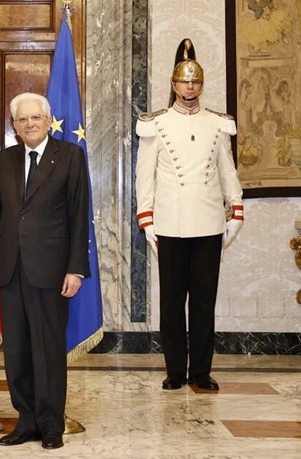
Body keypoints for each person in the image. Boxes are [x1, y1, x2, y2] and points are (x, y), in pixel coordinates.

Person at [0, 92, 90, 450]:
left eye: (35, 118)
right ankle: (26, 421)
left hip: (51, 270)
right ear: (14, 126)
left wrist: (75, 269)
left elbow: (78, 215)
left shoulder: (70, 156)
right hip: (11, 269)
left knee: (48, 350)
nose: (29, 124)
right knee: (17, 352)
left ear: (47, 120)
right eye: (22, 120)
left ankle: (51, 425)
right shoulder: (7, 158)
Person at [135, 38, 244, 392]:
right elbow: (144, 175)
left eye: (195, 82)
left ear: (201, 84)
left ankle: (201, 372)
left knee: (203, 302)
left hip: (209, 223)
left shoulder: (218, 123)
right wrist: (147, 219)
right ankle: (174, 372)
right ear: (173, 84)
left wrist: (236, 209)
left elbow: (228, 171)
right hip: (170, 224)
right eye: (184, 81)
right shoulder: (156, 123)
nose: (190, 87)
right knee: (171, 304)